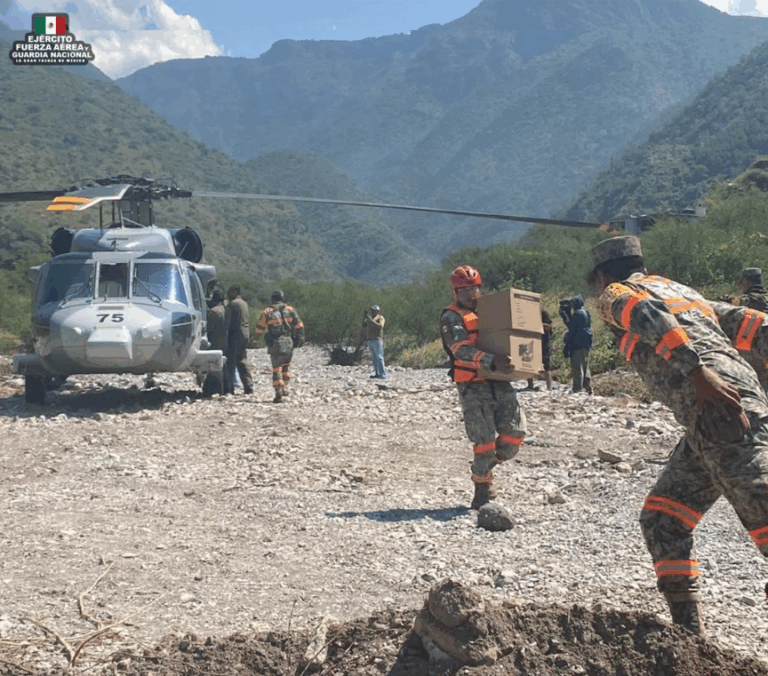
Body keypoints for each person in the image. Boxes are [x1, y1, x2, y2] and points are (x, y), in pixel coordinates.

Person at [589, 235, 768, 637]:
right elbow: (755, 327)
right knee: (663, 519)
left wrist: (696, 371)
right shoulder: (681, 291)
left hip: (716, 409)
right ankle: (689, 640)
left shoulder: (619, 294)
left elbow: (643, 312)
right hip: (712, 417)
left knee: (762, 510)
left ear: (601, 276)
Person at [440, 265, 527, 510]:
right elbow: (460, 350)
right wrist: (490, 360)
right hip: (472, 385)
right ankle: (481, 487)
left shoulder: (491, 313)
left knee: (515, 434)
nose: (471, 294)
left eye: (474, 288)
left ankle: (487, 466)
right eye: (465, 290)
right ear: (456, 292)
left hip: (500, 381)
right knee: (484, 440)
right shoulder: (452, 317)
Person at [254, 290, 305, 403]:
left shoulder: (267, 312)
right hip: (289, 342)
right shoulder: (290, 310)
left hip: (276, 342)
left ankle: (278, 394)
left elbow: (260, 328)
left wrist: (255, 340)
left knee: (277, 369)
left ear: (272, 299)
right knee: (286, 367)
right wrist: (301, 337)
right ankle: (284, 387)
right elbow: (299, 325)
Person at [223, 284, 254, 395]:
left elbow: (228, 320)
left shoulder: (234, 304)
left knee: (230, 361)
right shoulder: (244, 303)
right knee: (242, 360)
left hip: (235, 334)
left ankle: (229, 388)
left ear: (235, 291)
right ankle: (248, 386)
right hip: (245, 334)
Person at [563, 294, 593, 393]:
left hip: (577, 342)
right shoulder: (586, 312)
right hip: (586, 342)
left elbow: (572, 328)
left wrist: (565, 316)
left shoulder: (577, 314)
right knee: (585, 364)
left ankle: (577, 387)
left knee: (577, 365)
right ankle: (588, 387)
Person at [202, 288, 227, 395]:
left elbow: (209, 329)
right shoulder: (227, 309)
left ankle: (213, 389)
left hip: (216, 340)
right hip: (226, 340)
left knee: (214, 365)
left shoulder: (214, 311)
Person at [526, 308, 553, 391]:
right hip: (532, 341)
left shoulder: (543, 313)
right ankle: (530, 385)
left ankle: (549, 387)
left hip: (543, 342)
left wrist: (538, 324)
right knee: (529, 362)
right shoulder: (527, 313)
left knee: (546, 364)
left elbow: (548, 327)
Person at [363, 304, 386, 379]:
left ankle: (382, 374)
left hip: (377, 339)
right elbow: (364, 326)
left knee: (379, 357)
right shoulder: (369, 318)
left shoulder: (380, 318)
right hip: (370, 339)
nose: (372, 312)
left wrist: (371, 320)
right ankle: (377, 373)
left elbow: (380, 326)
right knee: (374, 358)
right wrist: (365, 319)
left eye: (374, 310)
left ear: (377, 311)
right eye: (372, 310)